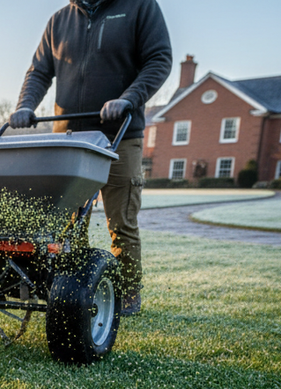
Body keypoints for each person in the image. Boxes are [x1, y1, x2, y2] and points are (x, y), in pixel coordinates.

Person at [11, 0, 172, 316]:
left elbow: (159, 60)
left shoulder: (139, 7)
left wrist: (128, 99)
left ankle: (125, 296)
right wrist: (25, 105)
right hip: (70, 139)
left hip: (120, 135)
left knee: (121, 222)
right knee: (69, 224)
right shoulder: (60, 20)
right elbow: (39, 70)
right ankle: (75, 291)